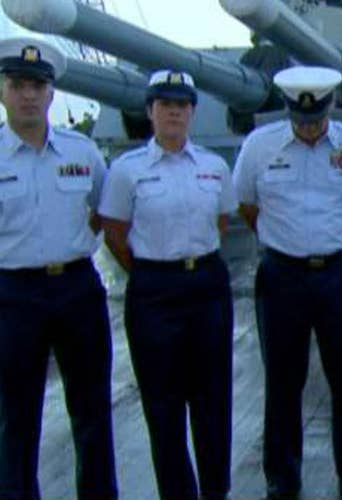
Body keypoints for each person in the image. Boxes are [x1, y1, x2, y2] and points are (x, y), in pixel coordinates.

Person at [232, 66, 342, 499]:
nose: (309, 127)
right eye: (301, 119)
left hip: (341, 273)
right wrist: (285, 243)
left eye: (315, 119)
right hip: (283, 278)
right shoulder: (260, 147)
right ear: (289, 110)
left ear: (331, 106)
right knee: (282, 381)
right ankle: (282, 477)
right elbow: (247, 206)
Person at [99, 70, 236, 499]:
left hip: (207, 288)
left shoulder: (214, 166)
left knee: (213, 403)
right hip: (154, 293)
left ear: (193, 112)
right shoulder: (126, 171)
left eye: (181, 105)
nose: (173, 112)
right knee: (163, 408)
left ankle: (216, 492)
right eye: (165, 105)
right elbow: (115, 234)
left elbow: (223, 222)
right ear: (150, 112)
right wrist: (154, 272)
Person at [0, 37, 117, 499]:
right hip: (13, 295)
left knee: (92, 410)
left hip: (76, 288)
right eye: (17, 84)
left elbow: (101, 211)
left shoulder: (81, 151)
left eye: (37, 85)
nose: (28, 94)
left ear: (51, 93)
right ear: (3, 91)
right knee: (17, 415)